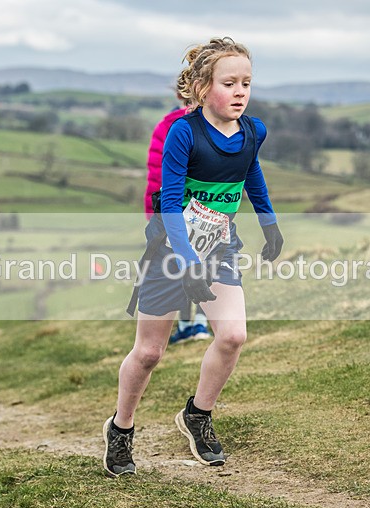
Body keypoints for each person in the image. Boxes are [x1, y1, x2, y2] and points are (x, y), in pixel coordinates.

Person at [104, 37, 283, 477]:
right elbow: (168, 203)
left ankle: (197, 415)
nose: (240, 91)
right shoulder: (184, 132)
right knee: (149, 352)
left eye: (246, 82)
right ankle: (121, 428)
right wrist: (185, 263)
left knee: (232, 336)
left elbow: (251, 172)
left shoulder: (252, 132)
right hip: (170, 250)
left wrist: (269, 223)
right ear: (203, 87)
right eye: (229, 83)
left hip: (220, 247)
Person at [145, 95, 212, 345]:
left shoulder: (166, 125)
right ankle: (199, 325)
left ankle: (186, 326)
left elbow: (155, 176)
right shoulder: (214, 124)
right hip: (206, 210)